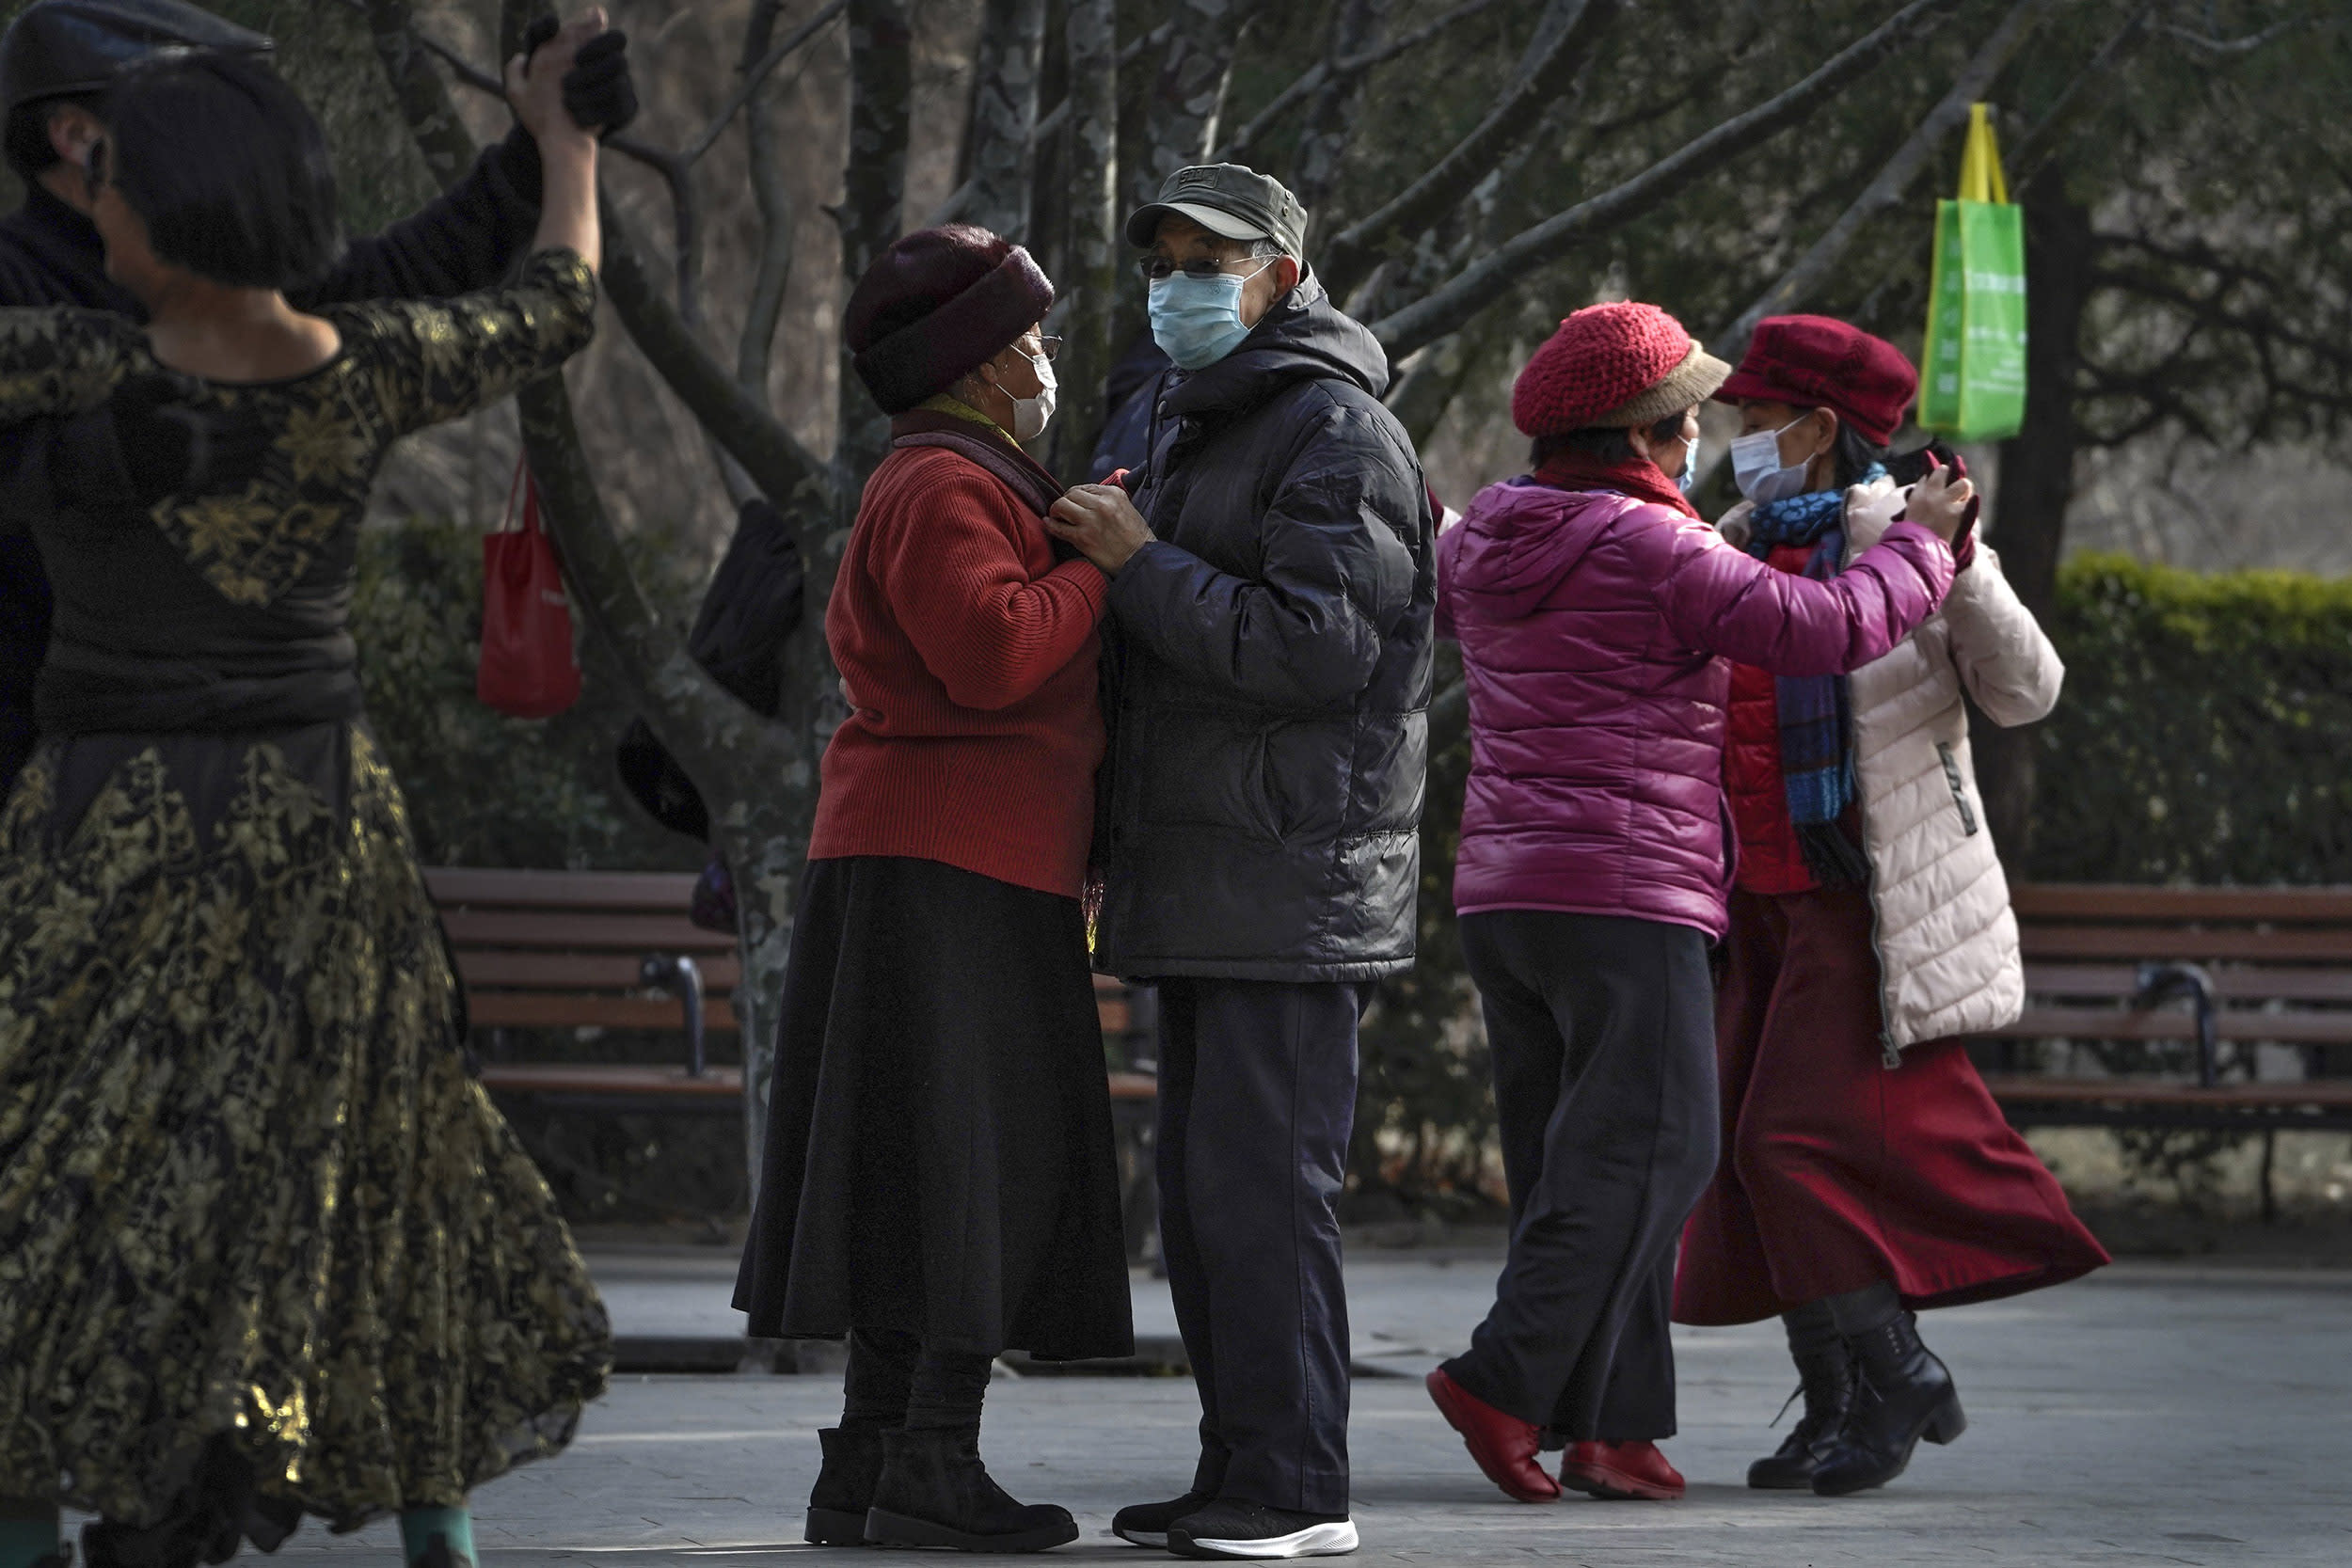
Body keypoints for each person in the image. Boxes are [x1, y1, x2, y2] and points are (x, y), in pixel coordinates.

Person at [0, 32, 611, 1568]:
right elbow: (556, 300)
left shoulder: (85, 367)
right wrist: (566, 143)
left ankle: (133, 1482)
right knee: (361, 1160)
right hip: (318, 832)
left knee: (64, 1160)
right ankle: (314, 1488)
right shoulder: (369, 363)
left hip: (109, 836)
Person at [1422, 302, 1971, 1509]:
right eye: (1686, 425)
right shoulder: (1650, 544)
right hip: (1625, 892)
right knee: (1657, 1153)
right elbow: (1821, 627)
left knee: (1577, 1163)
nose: (1701, 447)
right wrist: (1923, 547)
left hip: (1504, 895)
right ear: (1647, 435)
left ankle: (1612, 1427)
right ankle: (1500, 1380)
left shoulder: (1486, 535)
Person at [1045, 162, 1435, 1562]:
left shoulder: (1339, 431)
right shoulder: (1175, 415)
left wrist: (1140, 561)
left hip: (1292, 878)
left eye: (1209, 259)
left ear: (1278, 274)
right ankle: (1238, 1469)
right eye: (1163, 256)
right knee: (1213, 1207)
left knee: (1268, 1193)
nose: (1177, 282)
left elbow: (1315, 650)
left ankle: (1295, 1482)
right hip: (1204, 872)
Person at [733, 224, 1133, 1555]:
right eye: (1033, 337)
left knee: (905, 1171)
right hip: (957, 864)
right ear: (979, 356)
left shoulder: (946, 472)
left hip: (928, 856)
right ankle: (933, 1463)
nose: (1047, 358)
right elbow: (993, 650)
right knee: (971, 1170)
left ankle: (868, 1466)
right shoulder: (946, 485)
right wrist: (1102, 563)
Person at [1675, 315, 2110, 1497]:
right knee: (1740, 1154)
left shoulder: (1907, 531)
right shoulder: (1736, 536)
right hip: (1753, 900)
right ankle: (1835, 1407)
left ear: (1817, 427)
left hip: (1862, 903)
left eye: (1757, 422)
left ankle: (1898, 1369)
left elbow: (2028, 692)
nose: (1736, 442)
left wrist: (1958, 561)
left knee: (1785, 1142)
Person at [0, 0, 637, 800]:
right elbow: (546, 309)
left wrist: (550, 145)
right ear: (78, 141)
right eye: (202, 107)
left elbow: (406, 283)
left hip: (294, 803)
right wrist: (87, 458)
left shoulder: (280, 323)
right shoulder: (28, 302)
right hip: (65, 784)